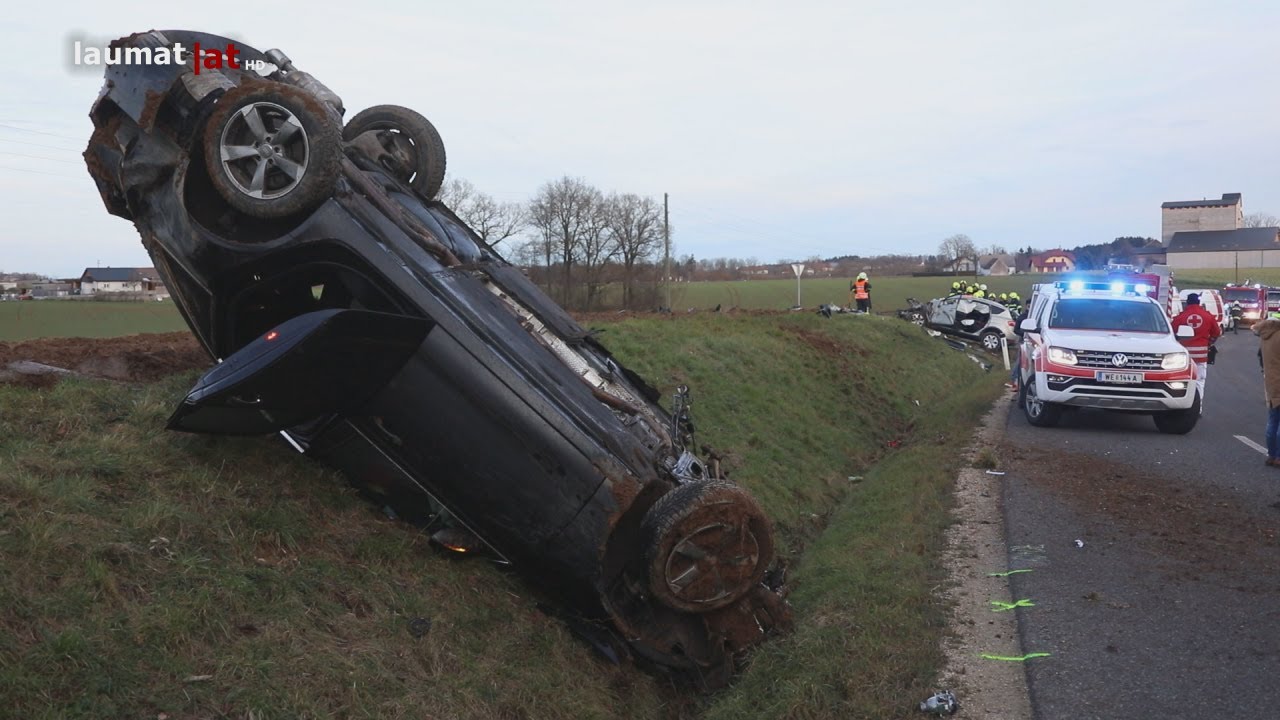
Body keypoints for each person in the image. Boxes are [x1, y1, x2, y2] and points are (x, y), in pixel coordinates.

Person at [1171, 292, 1222, 403]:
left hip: (1184, 357)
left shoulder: (1180, 317)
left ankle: (1181, 404)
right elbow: (1217, 333)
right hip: (1201, 356)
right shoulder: (1208, 316)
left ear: (1187, 303)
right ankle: (1198, 405)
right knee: (1199, 381)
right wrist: (1209, 343)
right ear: (1199, 302)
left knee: (1182, 381)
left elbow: (1172, 333)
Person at [1254, 311, 1280, 466]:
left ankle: (1272, 454)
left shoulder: (1265, 336)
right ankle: (1278, 456)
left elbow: (1261, 357)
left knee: (1273, 420)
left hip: (1271, 381)